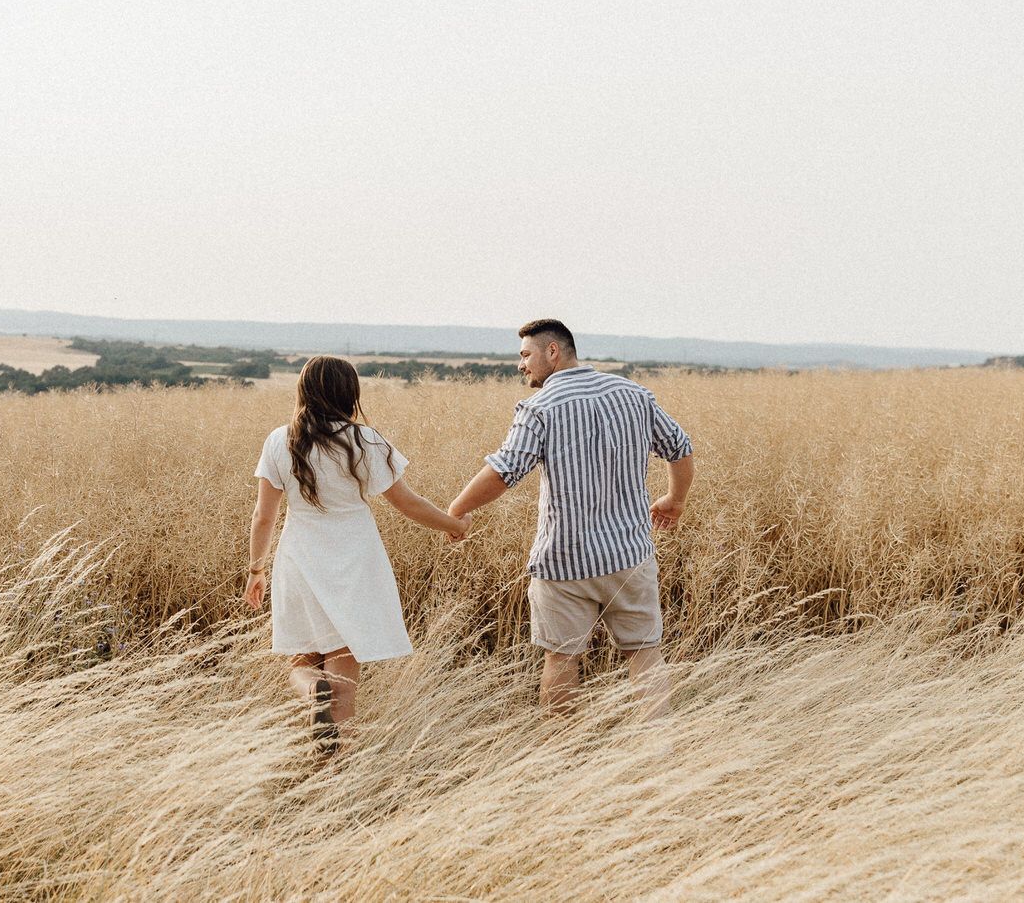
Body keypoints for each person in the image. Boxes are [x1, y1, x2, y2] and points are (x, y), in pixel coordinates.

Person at [447, 319, 695, 718]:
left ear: (552, 352)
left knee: (561, 659)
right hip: (630, 556)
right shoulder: (632, 394)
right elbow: (680, 449)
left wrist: (456, 511)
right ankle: (657, 747)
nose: (520, 365)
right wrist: (674, 500)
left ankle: (563, 756)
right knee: (645, 653)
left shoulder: (540, 407)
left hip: (565, 561)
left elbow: (503, 472)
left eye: (525, 355)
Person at [244, 355, 471, 752]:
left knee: (302, 662)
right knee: (344, 680)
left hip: (299, 560)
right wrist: (454, 525)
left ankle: (313, 692)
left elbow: (264, 516)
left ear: (304, 391)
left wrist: (256, 570)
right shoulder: (365, 440)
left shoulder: (280, 440)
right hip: (355, 563)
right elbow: (407, 503)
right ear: (350, 393)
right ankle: (335, 773)